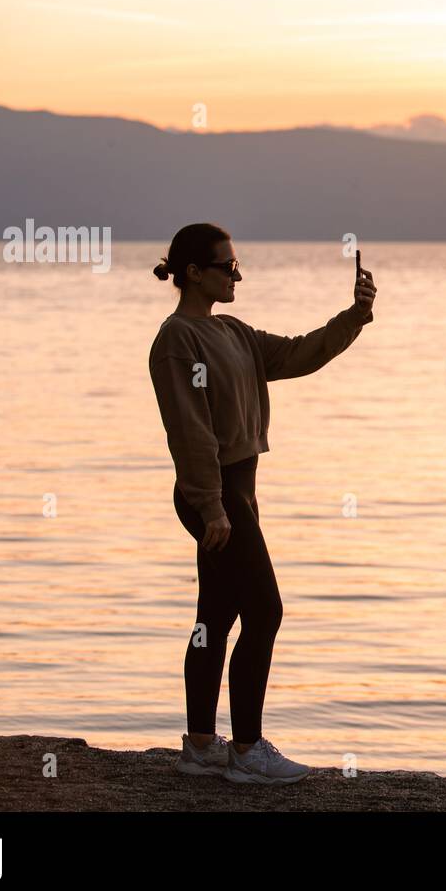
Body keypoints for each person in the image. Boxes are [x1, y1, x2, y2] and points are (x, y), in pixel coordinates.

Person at [148, 222, 376, 784]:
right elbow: (191, 430)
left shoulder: (235, 332)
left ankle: (201, 745)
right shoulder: (178, 339)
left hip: (236, 491)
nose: (237, 274)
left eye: (236, 264)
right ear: (193, 273)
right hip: (215, 492)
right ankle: (246, 753)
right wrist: (211, 508)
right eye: (227, 266)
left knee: (216, 616)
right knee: (265, 611)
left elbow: (300, 354)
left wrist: (355, 316)